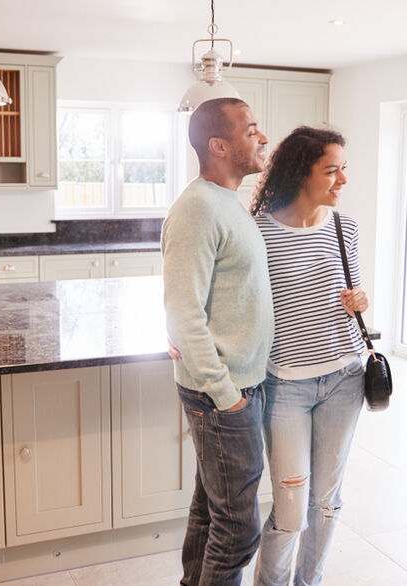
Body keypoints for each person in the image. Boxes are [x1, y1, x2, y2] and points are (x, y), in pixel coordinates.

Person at [248, 126, 369, 586]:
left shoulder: (345, 227)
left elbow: (350, 290)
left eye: (343, 170)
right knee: (291, 508)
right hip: (285, 385)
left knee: (326, 501)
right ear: (302, 172)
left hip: (345, 376)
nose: (342, 180)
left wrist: (359, 300)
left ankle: (309, 582)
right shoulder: (258, 232)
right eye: (332, 170)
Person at [161, 97, 274, 586]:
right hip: (222, 393)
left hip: (235, 385)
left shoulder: (228, 202)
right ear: (219, 145)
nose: (262, 137)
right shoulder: (197, 209)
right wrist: (226, 395)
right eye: (251, 130)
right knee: (238, 529)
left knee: (211, 513)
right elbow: (183, 313)